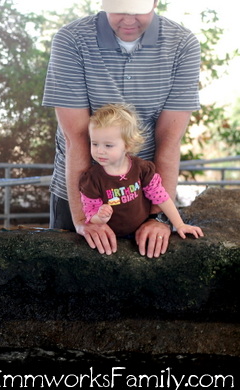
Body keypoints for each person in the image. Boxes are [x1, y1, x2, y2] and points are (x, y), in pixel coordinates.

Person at [42, 0, 201, 257]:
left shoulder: (182, 45)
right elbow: (77, 139)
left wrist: (159, 218)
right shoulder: (71, 40)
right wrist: (83, 219)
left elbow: (169, 141)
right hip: (79, 193)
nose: (128, 21)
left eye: (138, 12)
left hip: (144, 194)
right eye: (120, 12)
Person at [79, 104, 204, 242]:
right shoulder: (91, 179)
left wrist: (179, 224)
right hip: (109, 238)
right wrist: (100, 217)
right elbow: (90, 214)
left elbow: (161, 197)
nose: (99, 151)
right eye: (95, 143)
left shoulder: (141, 169)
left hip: (140, 234)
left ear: (127, 145)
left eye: (108, 145)